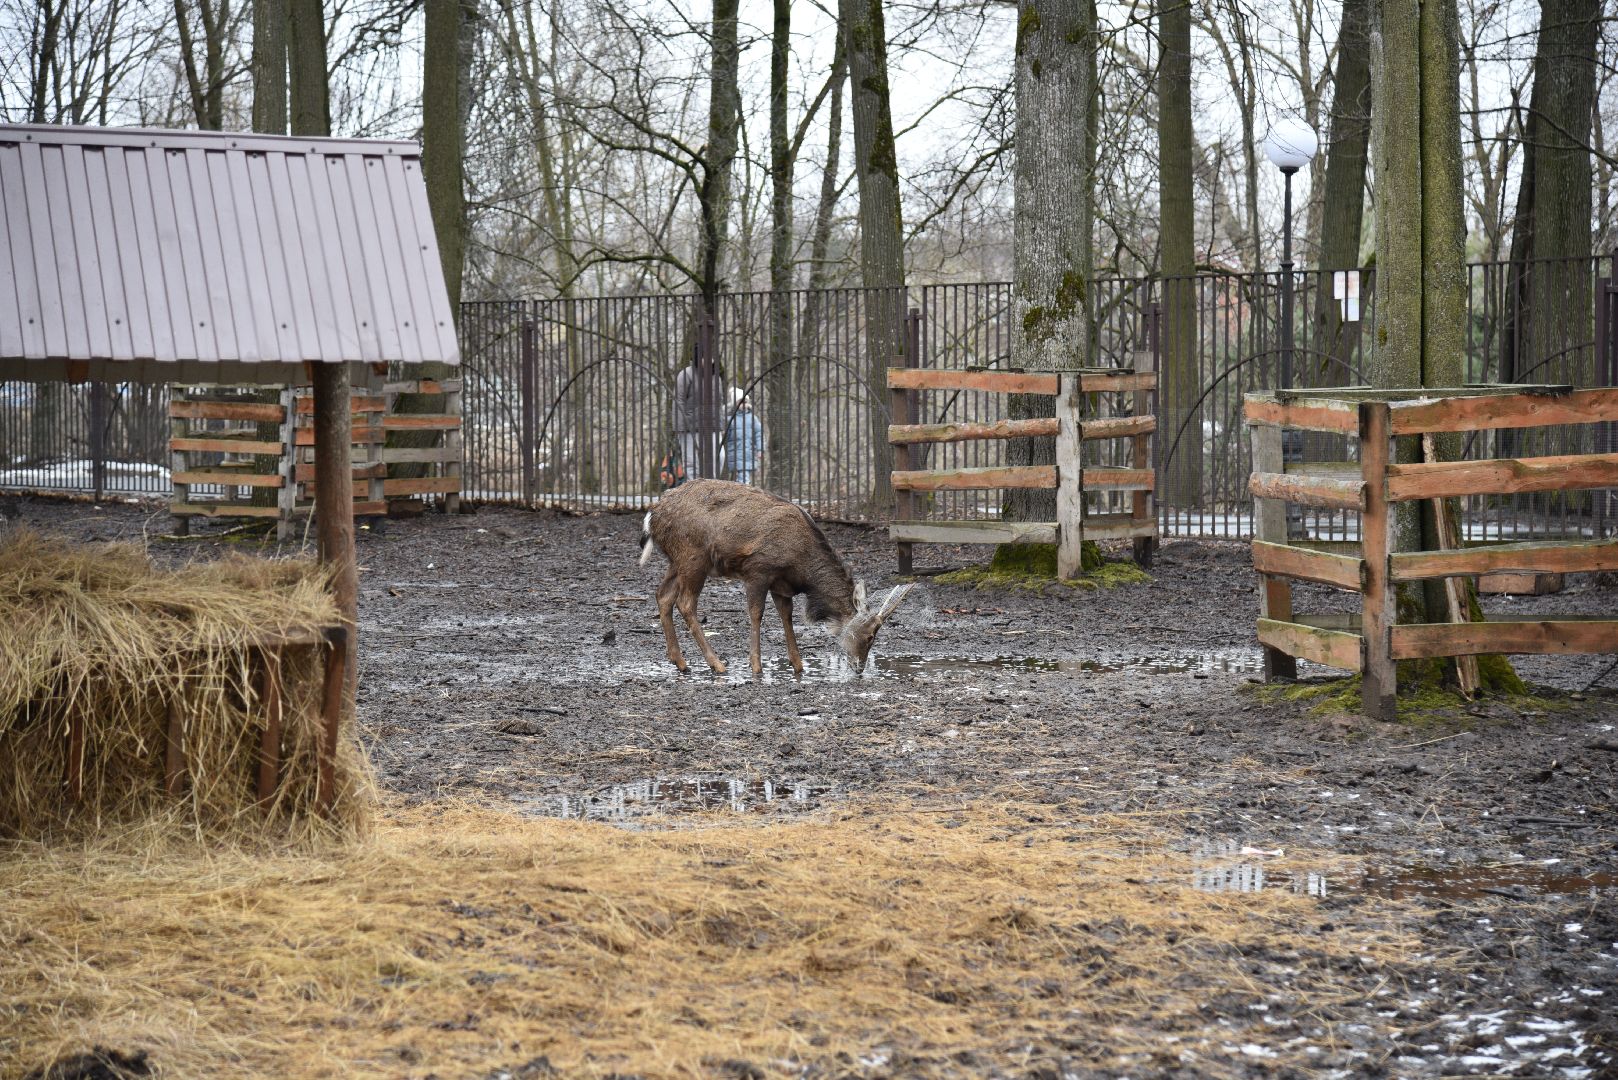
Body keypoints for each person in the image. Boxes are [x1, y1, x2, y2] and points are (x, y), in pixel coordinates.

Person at [673, 350, 725, 479]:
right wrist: (680, 427)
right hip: (690, 426)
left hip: (712, 425)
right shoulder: (686, 374)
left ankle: (712, 488)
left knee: (719, 457)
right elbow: (678, 400)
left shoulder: (716, 377)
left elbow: (720, 402)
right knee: (691, 462)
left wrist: (721, 424)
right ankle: (695, 491)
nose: (711, 360)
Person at [724, 387, 763, 485]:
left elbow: (759, 433)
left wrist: (760, 449)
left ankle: (744, 490)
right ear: (735, 404)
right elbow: (725, 436)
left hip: (748, 451)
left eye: (745, 402)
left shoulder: (752, 418)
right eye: (741, 402)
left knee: (743, 475)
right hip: (734, 451)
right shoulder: (730, 419)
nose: (744, 404)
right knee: (738, 476)